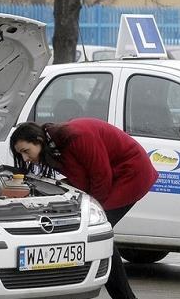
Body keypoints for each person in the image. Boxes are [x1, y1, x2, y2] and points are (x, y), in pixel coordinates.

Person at [9, 117, 158, 299]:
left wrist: (89, 214)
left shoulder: (76, 137)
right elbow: (80, 178)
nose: (25, 158)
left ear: (39, 141)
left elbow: (101, 179)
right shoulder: (54, 145)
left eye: (26, 151)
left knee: (98, 235)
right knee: (94, 234)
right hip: (112, 177)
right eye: (21, 154)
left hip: (131, 174)